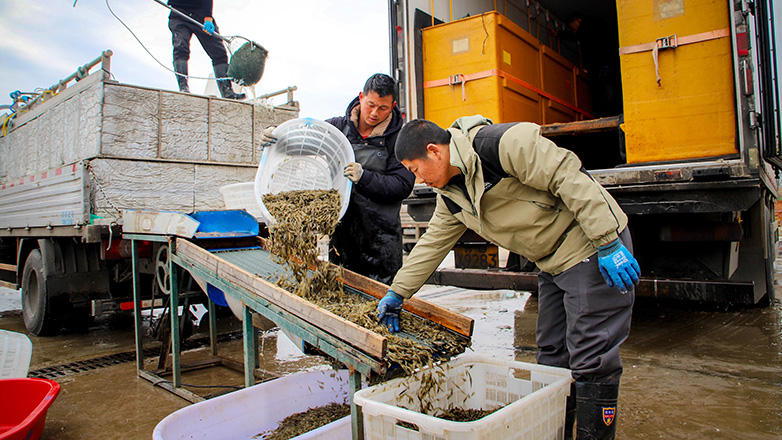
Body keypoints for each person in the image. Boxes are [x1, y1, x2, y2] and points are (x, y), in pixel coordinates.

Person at [376, 116, 640, 440]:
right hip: (551, 262)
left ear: (435, 151)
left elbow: (566, 174)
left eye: (416, 170)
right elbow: (431, 245)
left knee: (590, 359)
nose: (418, 181)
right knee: (551, 360)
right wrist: (397, 293)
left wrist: (608, 240)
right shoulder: (452, 197)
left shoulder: (499, 145)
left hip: (588, 245)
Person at [261, 74, 416, 284]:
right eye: (370, 105)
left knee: (378, 300)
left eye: (383, 108)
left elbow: (402, 185)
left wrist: (365, 177)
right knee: (341, 292)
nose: (374, 113)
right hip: (342, 236)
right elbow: (303, 142)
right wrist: (276, 137)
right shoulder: (337, 127)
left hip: (380, 241)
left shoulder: (398, 138)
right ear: (361, 97)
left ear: (393, 106)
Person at [167, 0, 245, 100]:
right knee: (181, 48)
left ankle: (227, 91)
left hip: (201, 14)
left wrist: (208, 18)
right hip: (179, 13)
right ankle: (183, 88)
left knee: (219, 53)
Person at [560, 13, 622, 117]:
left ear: (577, 21)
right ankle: (614, 113)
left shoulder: (587, 26)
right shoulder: (598, 24)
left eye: (573, 27)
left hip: (603, 66)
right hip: (610, 63)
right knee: (611, 89)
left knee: (605, 91)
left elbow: (581, 37)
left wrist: (559, 34)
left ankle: (609, 115)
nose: (574, 30)